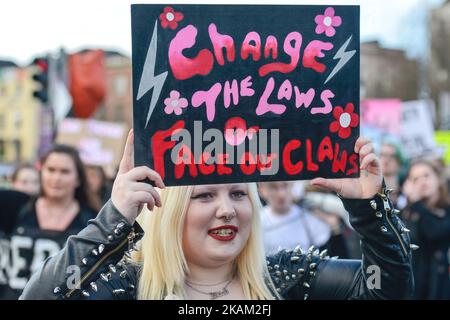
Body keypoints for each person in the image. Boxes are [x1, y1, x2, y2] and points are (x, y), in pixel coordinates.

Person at [20, 132, 414, 300]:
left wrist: (369, 206)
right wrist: (113, 219)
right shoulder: (128, 288)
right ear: (168, 210)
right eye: (204, 194)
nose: (227, 208)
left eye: (239, 193)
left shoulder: (286, 277)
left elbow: (387, 290)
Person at [0, 145, 97, 299]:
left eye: (64, 172)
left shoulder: (92, 220)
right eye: (51, 170)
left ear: (78, 179)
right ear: (41, 173)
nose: (56, 178)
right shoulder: (16, 206)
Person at [402, 160, 450, 299]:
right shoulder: (406, 214)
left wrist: (417, 203)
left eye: (426, 175)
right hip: (414, 289)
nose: (422, 182)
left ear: (438, 178)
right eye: (415, 179)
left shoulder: (447, 211)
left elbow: (434, 232)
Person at [258, 181, 337, 256]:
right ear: (262, 189)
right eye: (273, 187)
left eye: (285, 186)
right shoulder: (257, 221)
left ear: (292, 186)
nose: (281, 194)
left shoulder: (307, 216)